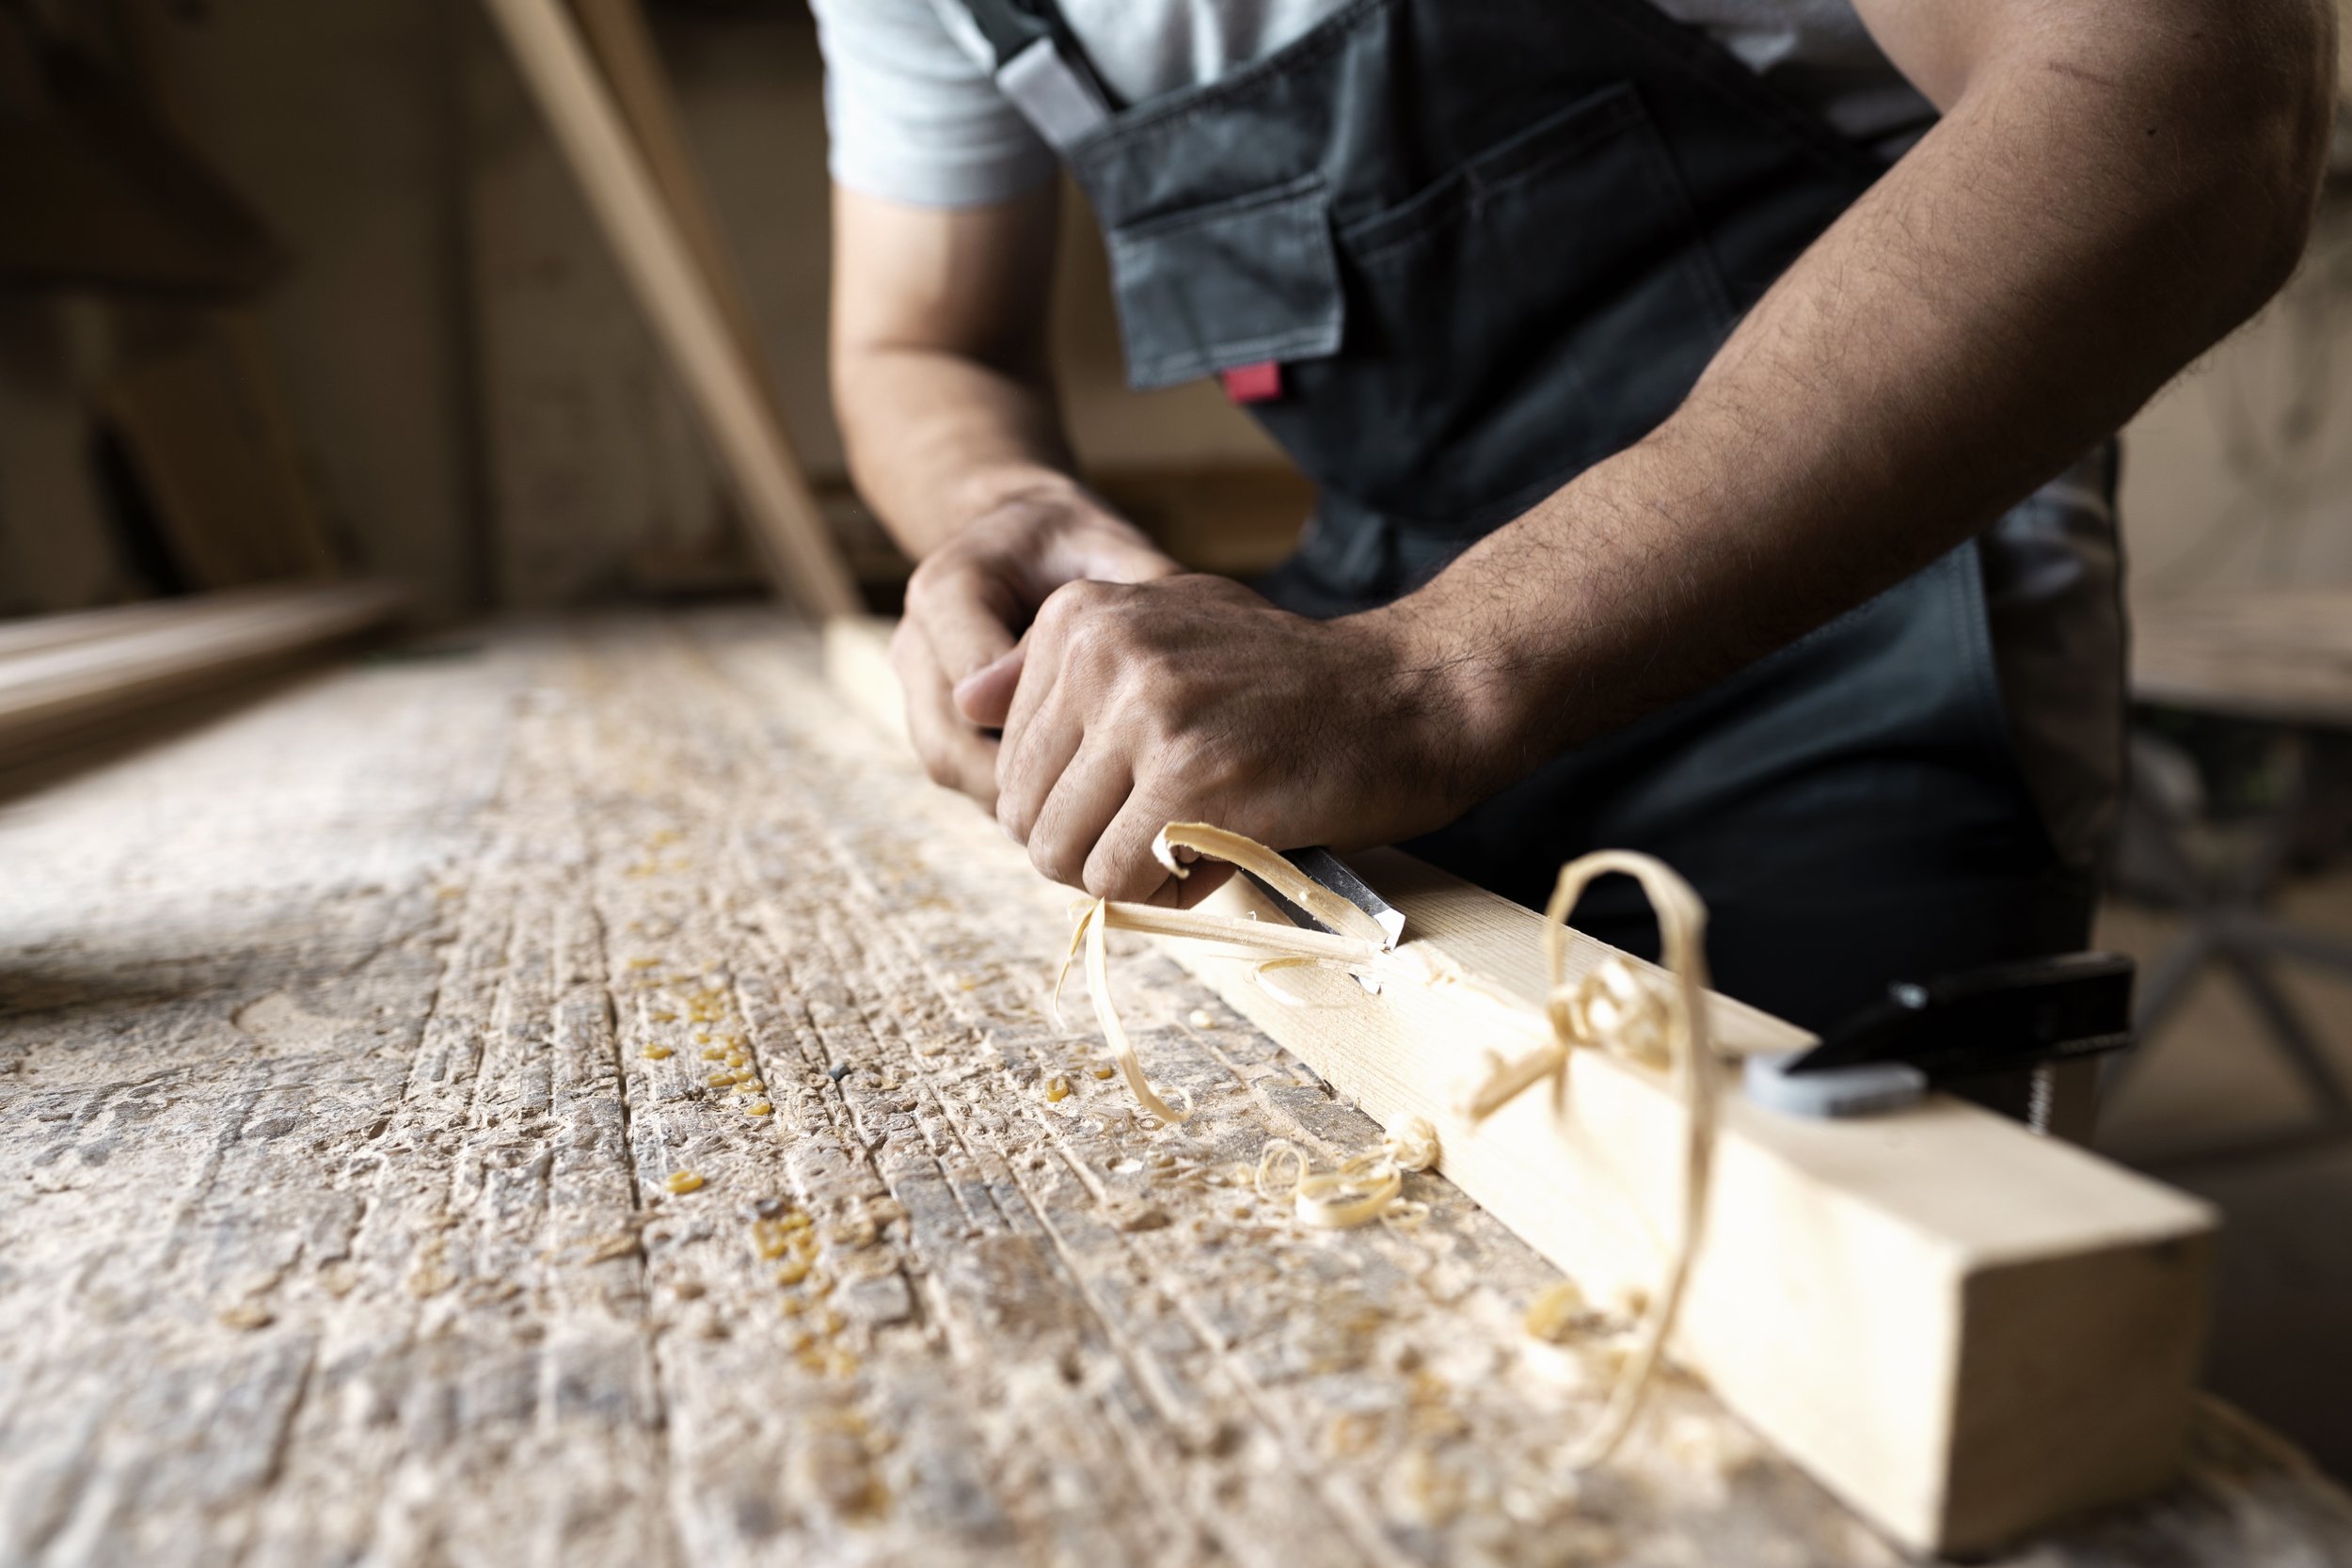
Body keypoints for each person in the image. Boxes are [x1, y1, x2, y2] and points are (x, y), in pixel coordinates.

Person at [814, 0, 2331, 1030]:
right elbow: (923, 342)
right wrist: (1009, 508)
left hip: (1863, 661)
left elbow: (2195, 93)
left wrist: (1439, 670)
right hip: (1365, 649)